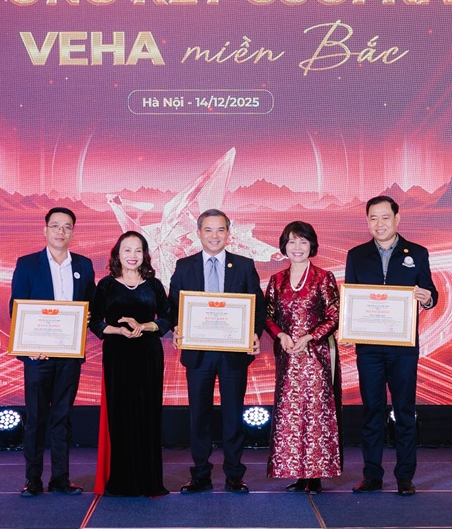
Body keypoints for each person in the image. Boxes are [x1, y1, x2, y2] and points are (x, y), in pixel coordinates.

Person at [345, 196, 438, 496]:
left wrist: (428, 298)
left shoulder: (418, 253)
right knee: (372, 411)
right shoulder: (356, 255)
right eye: (373, 218)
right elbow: (351, 298)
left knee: (404, 411)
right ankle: (372, 475)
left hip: (403, 347)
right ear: (367, 221)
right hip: (369, 347)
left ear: (397, 219)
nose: (379, 224)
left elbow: (431, 292)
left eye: (385, 217)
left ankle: (404, 477)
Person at [168, 209, 266, 494]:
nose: (214, 236)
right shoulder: (184, 266)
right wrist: (176, 327)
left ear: (228, 233)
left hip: (233, 353)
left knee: (233, 415)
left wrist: (254, 333)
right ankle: (200, 474)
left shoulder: (244, 265)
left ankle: (234, 474)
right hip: (198, 352)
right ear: (198, 233)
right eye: (208, 230)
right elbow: (173, 306)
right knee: (199, 415)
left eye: (220, 230)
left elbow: (258, 305)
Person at [9, 207, 96, 497]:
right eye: (55, 226)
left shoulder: (83, 265)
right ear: (45, 230)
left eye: (67, 227)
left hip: (69, 355)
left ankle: (60, 477)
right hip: (38, 356)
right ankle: (33, 478)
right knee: (36, 418)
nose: (61, 231)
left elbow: (91, 305)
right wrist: (27, 348)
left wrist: (88, 316)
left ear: (73, 232)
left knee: (62, 417)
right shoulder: (27, 264)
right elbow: (16, 308)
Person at [89, 231, 173, 497]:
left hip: (148, 355)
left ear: (145, 254)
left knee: (148, 414)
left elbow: (168, 318)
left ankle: (149, 481)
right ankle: (122, 481)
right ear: (117, 253)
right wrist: (119, 330)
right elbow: (94, 321)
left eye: (138, 250)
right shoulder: (105, 285)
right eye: (127, 250)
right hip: (118, 355)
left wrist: (144, 326)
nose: (132, 256)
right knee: (121, 414)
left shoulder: (154, 284)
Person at [264, 221, 341, 494]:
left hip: (316, 355)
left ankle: (315, 474)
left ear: (312, 245)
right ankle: (297, 472)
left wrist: (310, 337)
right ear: (284, 246)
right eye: (292, 241)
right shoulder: (276, 280)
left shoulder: (323, 277)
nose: (297, 247)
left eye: (303, 241)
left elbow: (334, 316)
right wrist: (280, 335)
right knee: (290, 415)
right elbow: (267, 316)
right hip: (287, 357)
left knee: (316, 413)